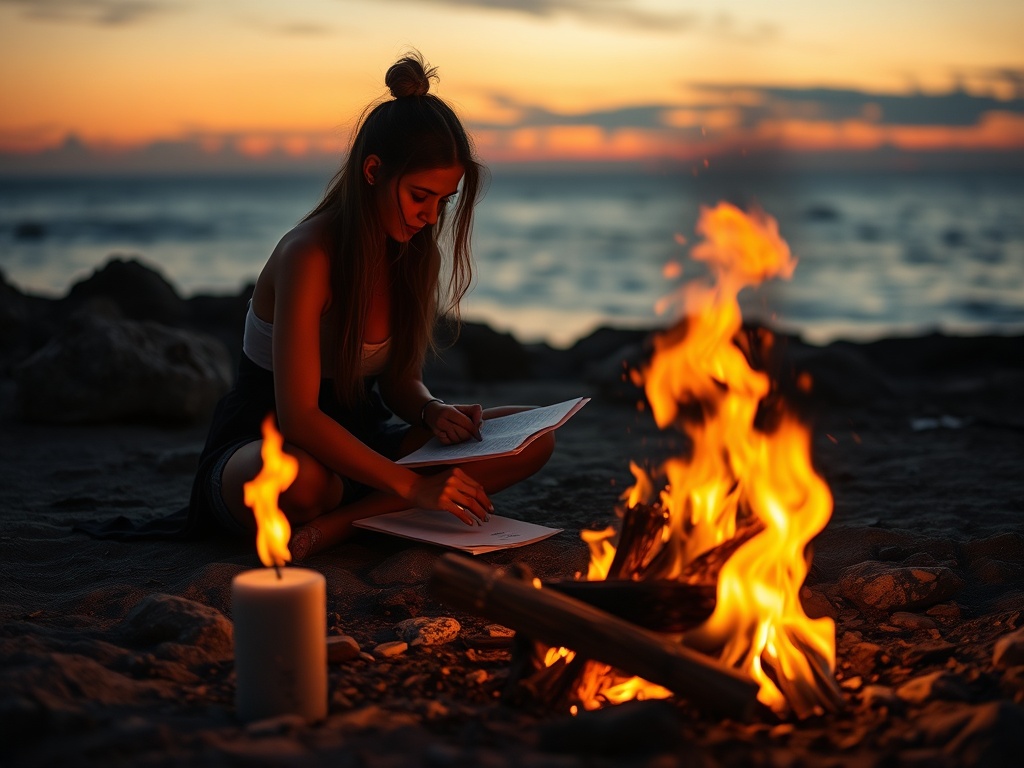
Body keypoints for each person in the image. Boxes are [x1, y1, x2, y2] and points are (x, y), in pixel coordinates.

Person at [187, 52, 554, 561]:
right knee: (304, 482)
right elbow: (299, 418)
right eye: (420, 195)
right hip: (267, 444)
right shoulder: (309, 255)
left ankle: (338, 526)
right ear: (374, 171)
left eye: (443, 201)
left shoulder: (415, 254)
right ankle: (375, 506)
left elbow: (399, 381)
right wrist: (413, 487)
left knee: (534, 436)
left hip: (367, 441)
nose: (430, 217)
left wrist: (430, 409)